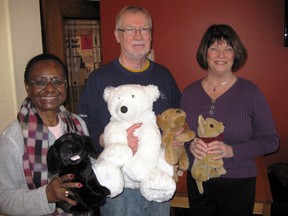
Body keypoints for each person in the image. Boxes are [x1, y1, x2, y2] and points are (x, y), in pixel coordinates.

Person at [78, 5, 181, 216]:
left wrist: (176, 145)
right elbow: (84, 125)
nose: (138, 36)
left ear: (151, 35)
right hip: (119, 185)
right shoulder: (99, 79)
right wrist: (114, 141)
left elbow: (177, 119)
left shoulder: (164, 76)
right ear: (117, 35)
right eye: (130, 30)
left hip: (156, 177)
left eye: (144, 29)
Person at [180, 24, 279, 216]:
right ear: (205, 53)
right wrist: (190, 146)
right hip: (199, 183)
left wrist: (232, 150)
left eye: (228, 48)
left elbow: (271, 141)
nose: (221, 55)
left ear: (236, 54)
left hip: (238, 184)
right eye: (214, 48)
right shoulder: (190, 93)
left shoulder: (251, 92)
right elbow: (182, 135)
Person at [0, 53, 90, 216]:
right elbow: (3, 198)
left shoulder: (78, 124)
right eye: (40, 82)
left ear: (66, 85)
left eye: (57, 82)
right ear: (27, 87)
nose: (50, 88)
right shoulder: (13, 138)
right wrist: (45, 196)